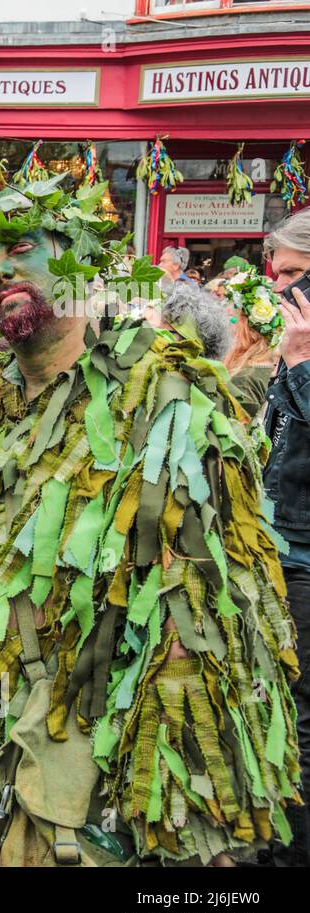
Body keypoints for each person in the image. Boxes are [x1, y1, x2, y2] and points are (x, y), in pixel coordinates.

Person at [0, 175, 300, 867]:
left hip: (74, 799)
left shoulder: (167, 403)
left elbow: (208, 635)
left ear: (80, 262)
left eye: (19, 248)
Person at [260, 206, 310, 867]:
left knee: (300, 721)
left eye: (295, 275)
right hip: (282, 547)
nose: (282, 291)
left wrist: (297, 367)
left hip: (305, 559)